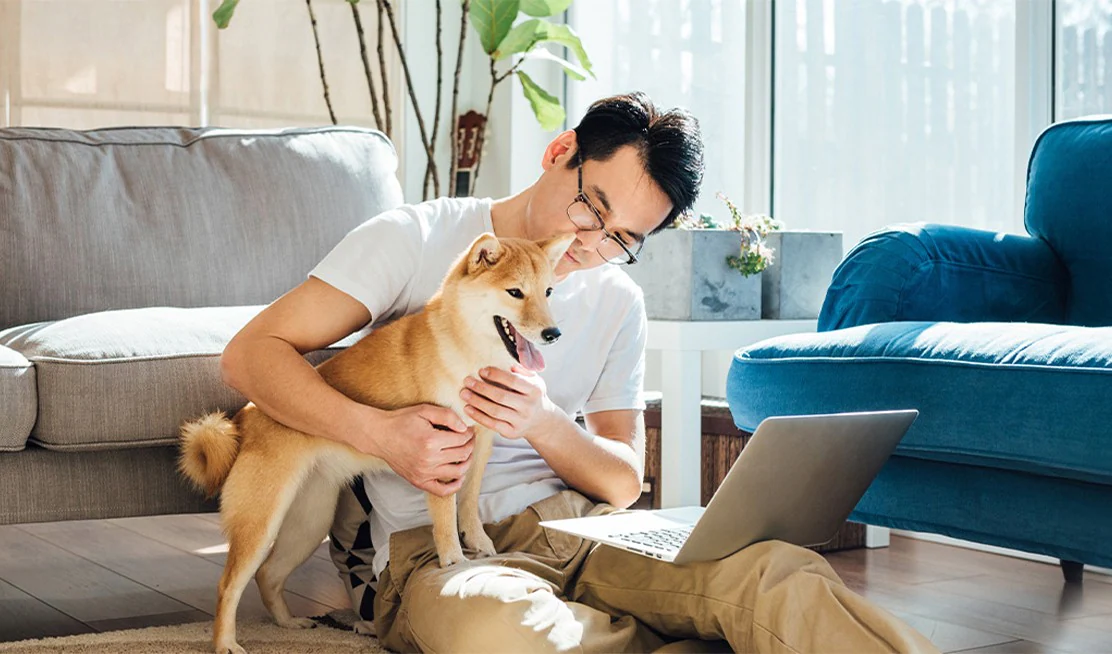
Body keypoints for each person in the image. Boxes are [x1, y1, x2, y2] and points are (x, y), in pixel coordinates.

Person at [220, 92, 939, 653]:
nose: (592, 242)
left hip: (581, 529)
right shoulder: (413, 240)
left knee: (777, 575)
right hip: (434, 552)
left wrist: (541, 421)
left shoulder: (617, 301)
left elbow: (624, 481)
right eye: (592, 206)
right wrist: (381, 434)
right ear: (558, 151)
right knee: (505, 636)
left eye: (625, 238)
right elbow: (251, 354)